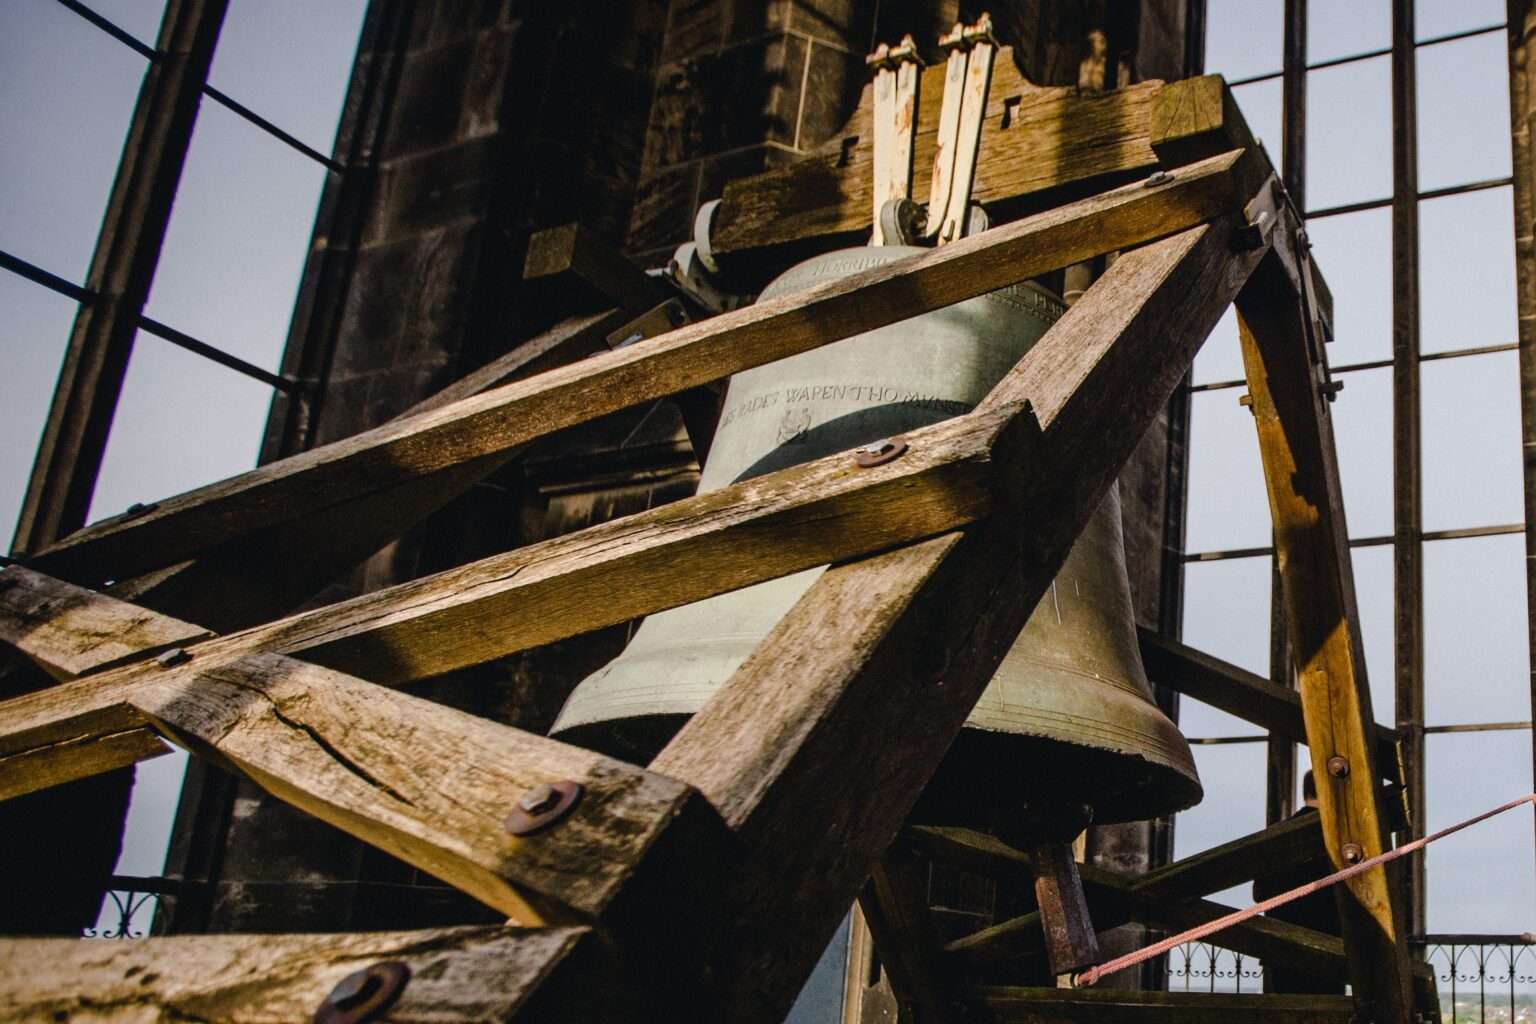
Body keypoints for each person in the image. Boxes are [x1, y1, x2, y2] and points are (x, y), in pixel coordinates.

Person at [1256, 770, 1345, 995]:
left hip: (1282, 946)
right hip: (1328, 947)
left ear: (1305, 792)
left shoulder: (1276, 834)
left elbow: (1260, 893)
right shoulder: (1339, 835)